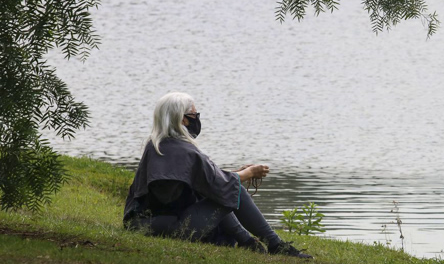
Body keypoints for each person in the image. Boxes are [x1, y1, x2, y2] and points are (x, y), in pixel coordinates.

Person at [123, 92, 312, 259]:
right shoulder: (182, 150)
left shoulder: (157, 144)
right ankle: (275, 245)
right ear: (183, 120)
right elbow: (218, 184)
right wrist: (249, 173)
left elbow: (207, 181)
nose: (197, 118)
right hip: (166, 227)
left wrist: (235, 174)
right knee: (234, 190)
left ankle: (247, 242)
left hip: (142, 224)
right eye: (194, 115)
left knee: (223, 189)